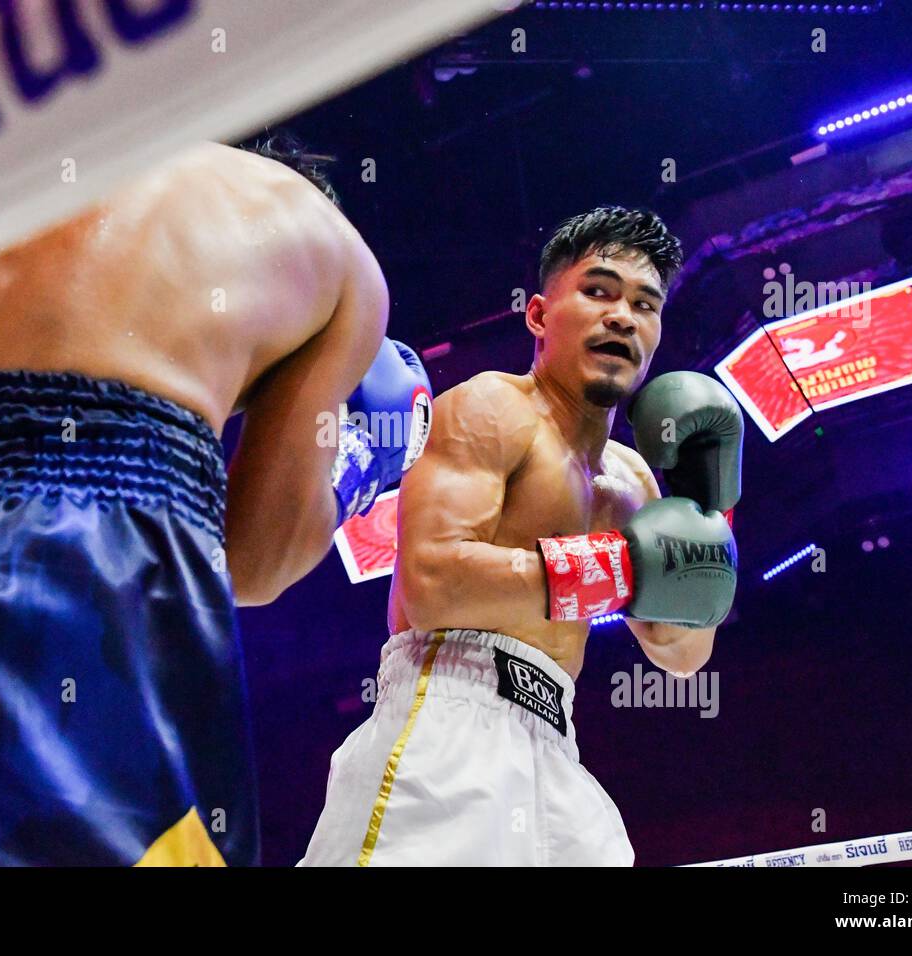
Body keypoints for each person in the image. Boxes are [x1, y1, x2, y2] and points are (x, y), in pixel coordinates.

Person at [0, 138, 431, 866]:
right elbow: (255, 561)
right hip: (61, 547)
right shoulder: (341, 262)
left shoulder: (56, 151)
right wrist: (358, 465)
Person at [300, 206, 742, 866]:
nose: (623, 316)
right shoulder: (490, 409)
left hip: (556, 742)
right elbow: (432, 585)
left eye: (645, 305)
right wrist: (618, 566)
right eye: (598, 291)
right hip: (448, 714)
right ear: (538, 315)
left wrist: (711, 509)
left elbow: (682, 654)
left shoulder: (636, 481)